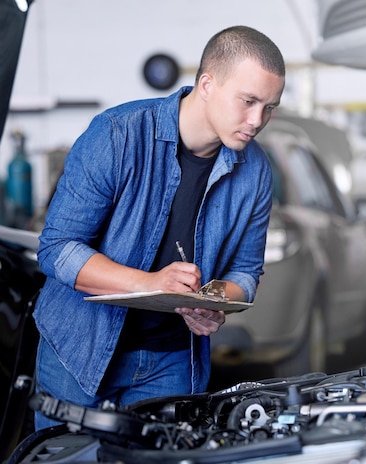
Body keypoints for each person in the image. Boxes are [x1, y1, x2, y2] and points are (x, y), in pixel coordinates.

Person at [33, 25, 285, 430]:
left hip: (171, 362)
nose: (257, 120)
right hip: (78, 352)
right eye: (248, 101)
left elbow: (245, 272)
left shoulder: (255, 171)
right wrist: (150, 284)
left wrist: (212, 301)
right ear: (207, 84)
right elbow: (58, 248)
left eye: (270, 106)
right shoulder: (118, 134)